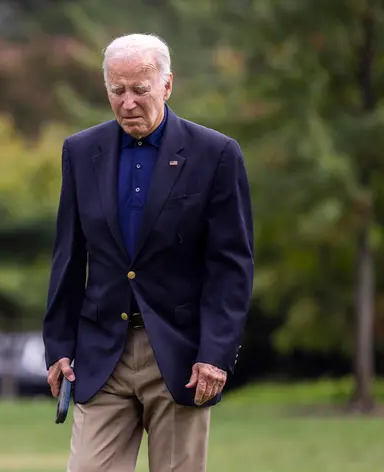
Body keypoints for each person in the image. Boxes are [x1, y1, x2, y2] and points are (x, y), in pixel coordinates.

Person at [42, 33, 254, 472]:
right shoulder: (81, 152)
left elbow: (230, 266)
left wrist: (215, 353)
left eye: (140, 89)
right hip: (101, 353)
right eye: (117, 91)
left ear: (167, 85)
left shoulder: (215, 154)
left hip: (180, 357)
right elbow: (68, 255)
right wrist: (59, 345)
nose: (128, 103)